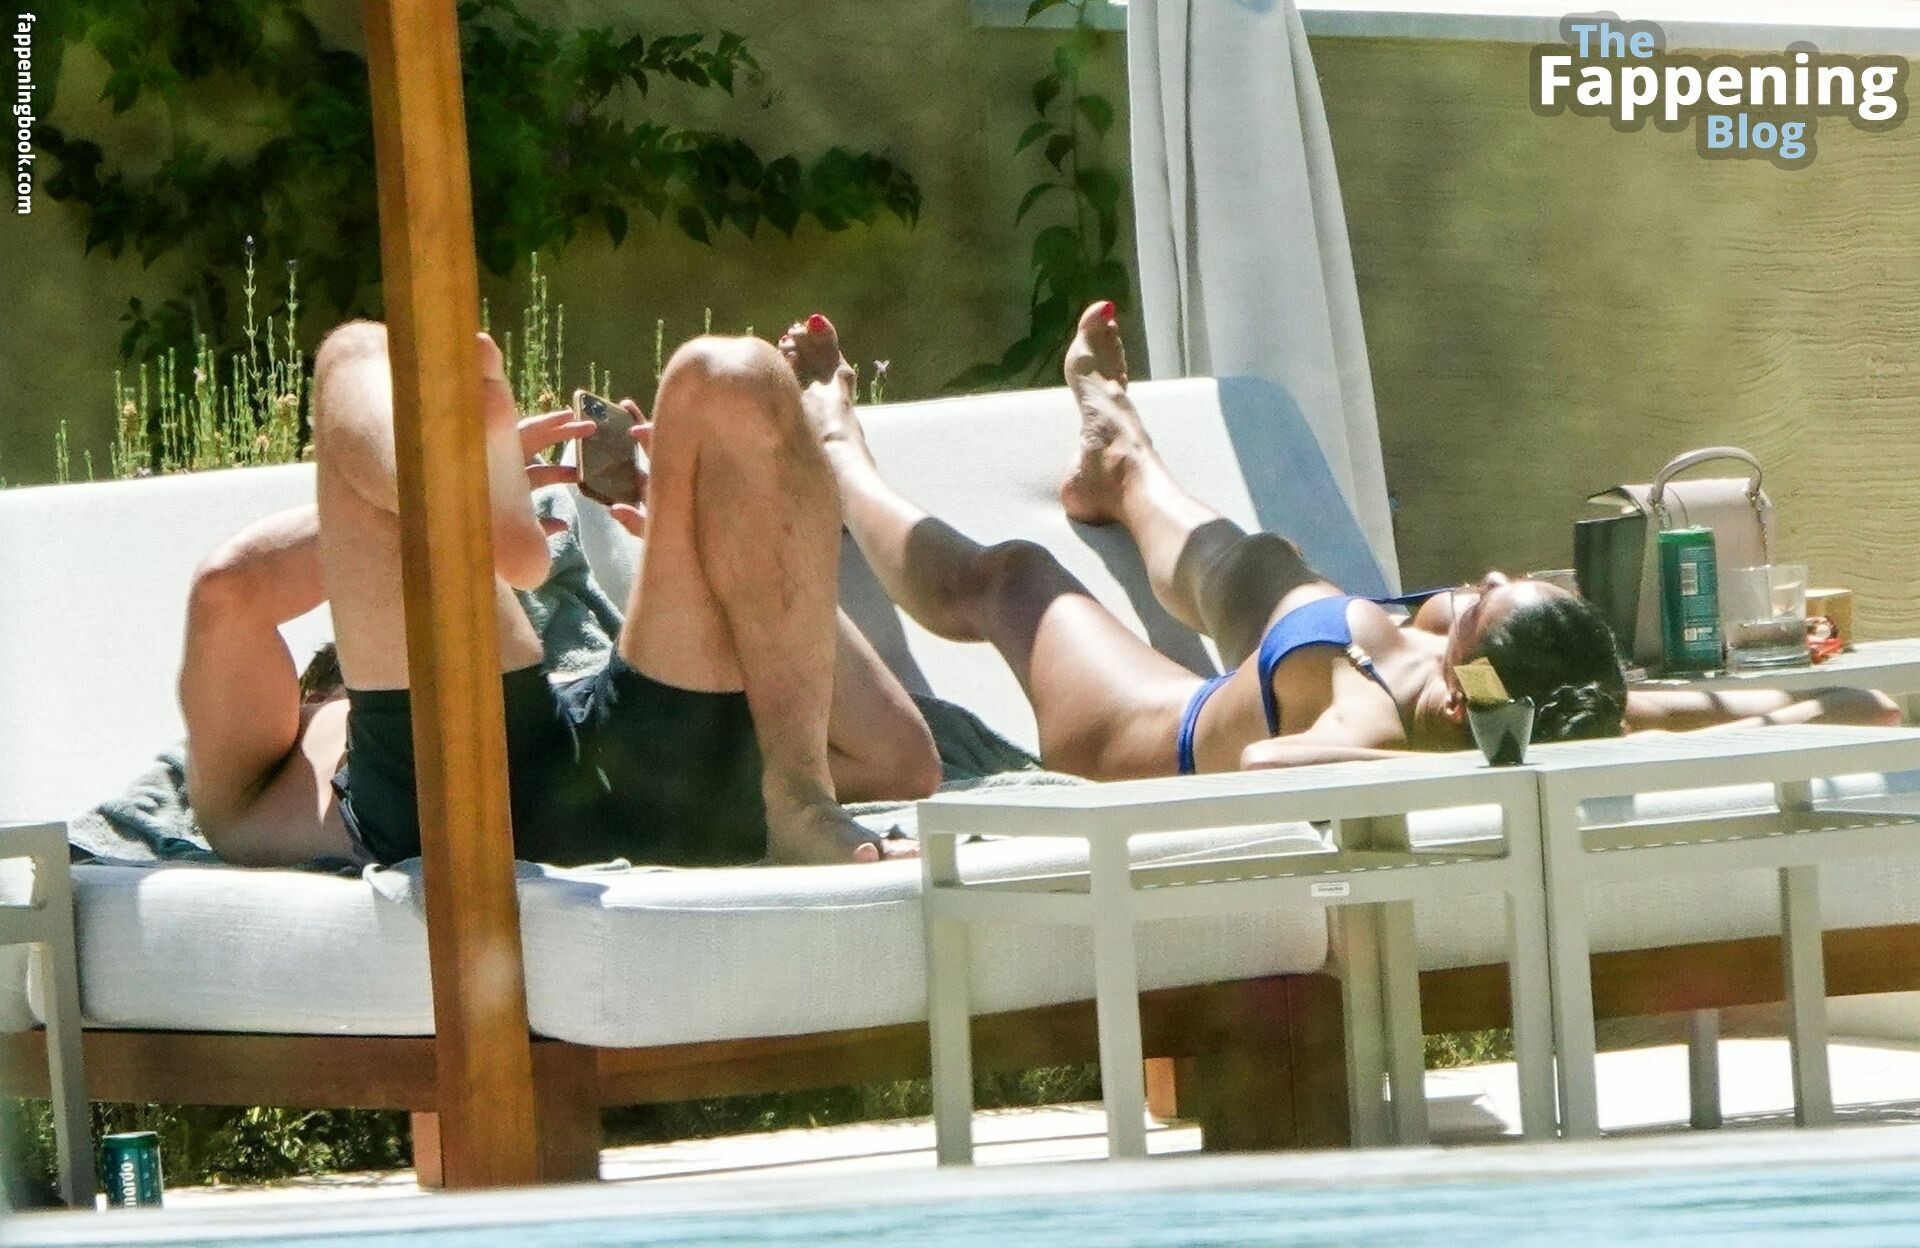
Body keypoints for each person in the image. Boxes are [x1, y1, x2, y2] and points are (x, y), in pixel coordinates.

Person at [782, 302, 1897, 780]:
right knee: (1268, 564)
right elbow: (1864, 706)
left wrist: (1446, 758)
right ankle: (1121, 464)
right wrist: (1695, 723)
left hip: (1145, 731)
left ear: (1464, 693)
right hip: (1303, 646)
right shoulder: (1575, 706)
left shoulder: (1377, 722)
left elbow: (1269, 762)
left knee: (1015, 578)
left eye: (1484, 605)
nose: (1482, 579)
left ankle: (834, 451)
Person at [180, 322, 938, 869]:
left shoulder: (274, 782)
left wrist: (726, 537)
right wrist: (446, 513)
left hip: (623, 755)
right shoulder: (281, 761)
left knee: (733, 373)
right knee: (358, 352)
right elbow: (228, 590)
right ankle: (443, 491)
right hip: (461, 801)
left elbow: (903, 762)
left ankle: (440, 490)